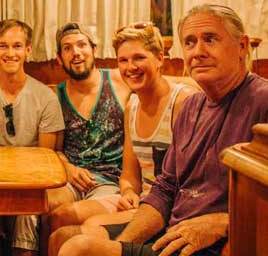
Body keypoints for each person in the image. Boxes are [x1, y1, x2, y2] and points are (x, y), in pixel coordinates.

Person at [58, 4, 268, 256]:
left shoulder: (267, 101)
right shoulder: (193, 106)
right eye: (190, 43)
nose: (198, 52)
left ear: (242, 46)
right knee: (72, 242)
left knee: (79, 248)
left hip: (214, 245)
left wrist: (225, 223)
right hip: (172, 233)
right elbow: (165, 188)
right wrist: (124, 245)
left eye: (210, 39)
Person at [48, 22, 196, 254]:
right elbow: (129, 174)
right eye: (123, 60)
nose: (130, 67)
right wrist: (128, 192)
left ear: (160, 58)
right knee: (59, 235)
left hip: (167, 208)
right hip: (139, 200)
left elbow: (187, 182)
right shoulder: (132, 106)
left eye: (139, 58)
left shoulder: (183, 102)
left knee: (81, 234)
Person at [0, 19, 65, 256]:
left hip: (30, 179)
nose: (10, 53)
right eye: (3, 46)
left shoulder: (45, 97)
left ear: (28, 50)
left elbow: (45, 158)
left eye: (17, 46)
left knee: (28, 209)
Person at [47, 23, 130, 230]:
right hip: (71, 181)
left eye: (82, 45)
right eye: (67, 48)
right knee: (43, 205)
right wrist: (69, 169)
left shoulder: (119, 80)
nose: (76, 52)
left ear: (94, 50)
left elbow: (160, 82)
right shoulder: (55, 96)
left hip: (111, 183)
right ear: (59, 58)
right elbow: (54, 151)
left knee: (64, 216)